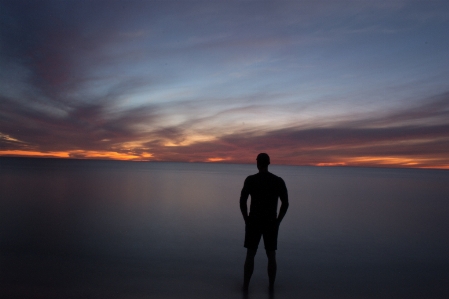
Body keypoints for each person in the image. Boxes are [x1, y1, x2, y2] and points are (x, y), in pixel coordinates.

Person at [240, 153, 289, 291]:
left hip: (254, 221)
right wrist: (278, 220)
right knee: (271, 255)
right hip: (271, 222)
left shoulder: (250, 180)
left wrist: (246, 219)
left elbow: (242, 202)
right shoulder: (278, 181)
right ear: (268, 163)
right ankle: (271, 287)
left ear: (258, 163)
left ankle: (245, 286)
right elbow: (285, 203)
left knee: (250, 254)